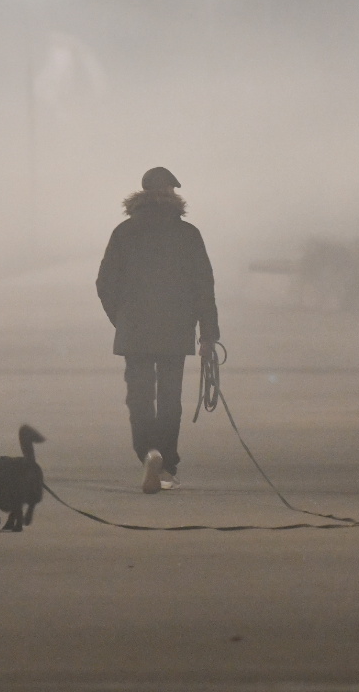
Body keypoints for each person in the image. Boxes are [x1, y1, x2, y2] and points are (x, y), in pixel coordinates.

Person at [95, 166, 220, 493]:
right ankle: (165, 463)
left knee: (138, 396)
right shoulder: (188, 234)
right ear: (171, 195)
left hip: (134, 331)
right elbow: (203, 287)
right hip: (174, 332)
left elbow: (105, 283)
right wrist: (208, 335)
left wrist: (120, 318)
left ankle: (147, 452)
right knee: (169, 399)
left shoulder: (124, 232)